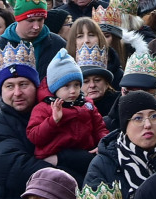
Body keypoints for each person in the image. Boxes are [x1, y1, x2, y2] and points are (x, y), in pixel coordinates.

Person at [27, 48, 106, 181]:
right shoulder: (44, 108)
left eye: (76, 85)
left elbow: (100, 127)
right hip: (56, 161)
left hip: (84, 155)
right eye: (66, 86)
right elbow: (34, 136)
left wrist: (102, 144)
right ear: (55, 88)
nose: (73, 91)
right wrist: (52, 121)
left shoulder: (87, 104)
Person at [0, 0, 68, 77]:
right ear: (18, 19)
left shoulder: (58, 45)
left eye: (40, 20)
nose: (36, 26)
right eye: (31, 21)